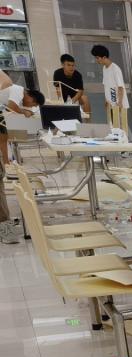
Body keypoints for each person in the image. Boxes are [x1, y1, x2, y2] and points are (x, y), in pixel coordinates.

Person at [0, 69, 43, 243]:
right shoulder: (17, 90)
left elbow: (3, 135)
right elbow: (11, 107)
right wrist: (24, 112)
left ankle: (4, 226)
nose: (30, 107)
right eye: (32, 104)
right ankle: (5, 229)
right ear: (30, 96)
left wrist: (5, 159)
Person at [91, 45, 128, 111]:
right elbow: (106, 85)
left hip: (119, 104)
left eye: (97, 58)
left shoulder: (115, 69)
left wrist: (120, 102)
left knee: (119, 118)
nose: (96, 60)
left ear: (104, 57)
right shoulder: (104, 68)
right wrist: (106, 100)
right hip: (110, 104)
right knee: (111, 118)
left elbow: (120, 87)